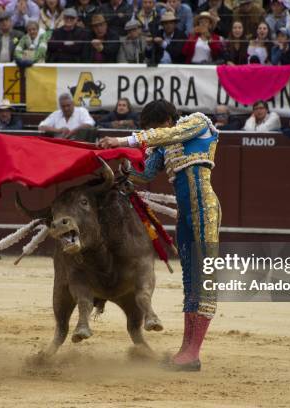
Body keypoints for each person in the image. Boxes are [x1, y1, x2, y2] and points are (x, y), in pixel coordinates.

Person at [97, 99, 221, 372]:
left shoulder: (196, 123)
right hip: (186, 214)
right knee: (190, 279)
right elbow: (147, 173)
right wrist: (121, 167)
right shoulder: (164, 141)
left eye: (155, 127)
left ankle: (193, 351)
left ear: (167, 119)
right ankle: (187, 353)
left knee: (204, 277)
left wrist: (122, 141)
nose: (155, 133)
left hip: (204, 209)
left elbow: (170, 135)